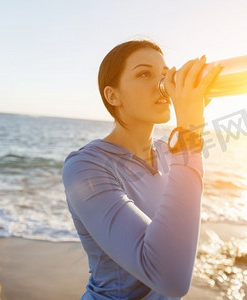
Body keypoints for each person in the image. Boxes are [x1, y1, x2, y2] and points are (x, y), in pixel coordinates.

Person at [62, 40, 222, 299]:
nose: (161, 83)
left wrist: (191, 124)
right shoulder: (85, 166)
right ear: (112, 95)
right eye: (144, 73)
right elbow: (170, 278)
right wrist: (189, 132)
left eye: (164, 74)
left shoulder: (170, 152)